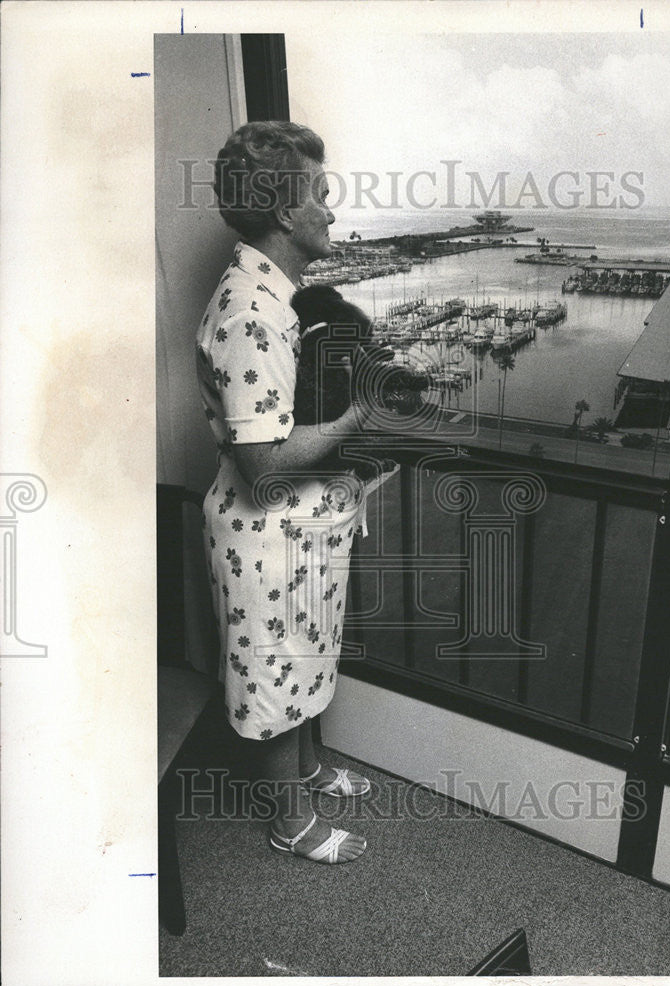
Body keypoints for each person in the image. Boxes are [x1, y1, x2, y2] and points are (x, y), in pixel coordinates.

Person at [196, 121, 379, 864]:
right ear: (284, 212)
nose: (332, 213)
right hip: (264, 538)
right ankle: (290, 822)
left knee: (302, 658)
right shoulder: (253, 313)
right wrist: (358, 415)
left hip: (296, 534)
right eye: (322, 197)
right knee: (274, 674)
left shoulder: (278, 296)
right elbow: (264, 465)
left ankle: (305, 772)